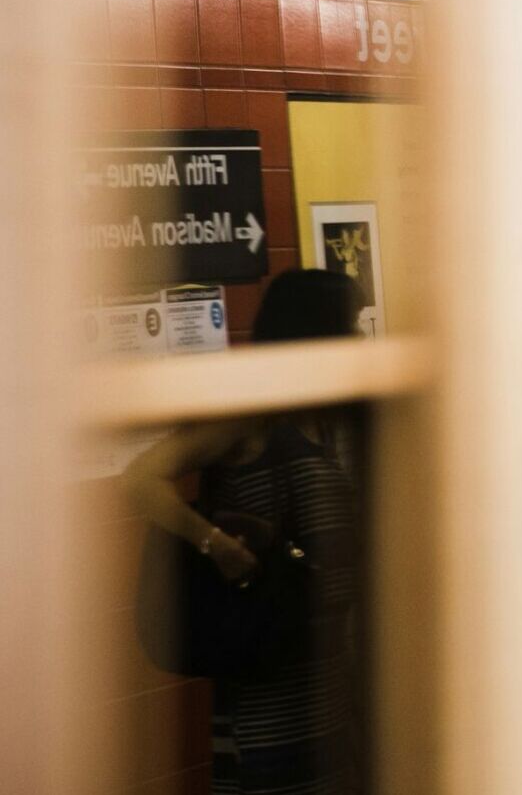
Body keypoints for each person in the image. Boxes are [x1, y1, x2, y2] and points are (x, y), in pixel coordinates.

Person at [123, 269, 365, 795]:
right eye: (351, 325)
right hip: (268, 679)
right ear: (315, 333)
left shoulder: (336, 419)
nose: (363, 339)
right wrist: (213, 544)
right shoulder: (254, 419)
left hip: (328, 675)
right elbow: (141, 477)